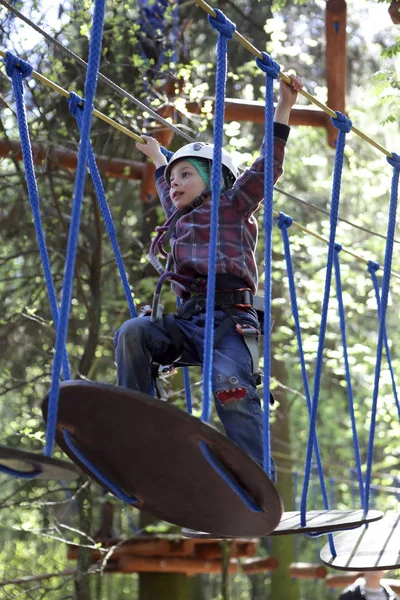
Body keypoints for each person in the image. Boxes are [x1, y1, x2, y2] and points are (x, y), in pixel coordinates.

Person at [114, 75, 302, 479]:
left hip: (230, 324)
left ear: (214, 180)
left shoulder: (234, 204)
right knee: (134, 332)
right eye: (174, 178)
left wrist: (283, 106)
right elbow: (167, 185)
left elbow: (268, 165)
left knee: (230, 383)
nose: (175, 185)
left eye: (187, 176)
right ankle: (136, 423)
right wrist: (157, 156)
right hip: (187, 322)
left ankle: (256, 480)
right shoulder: (179, 216)